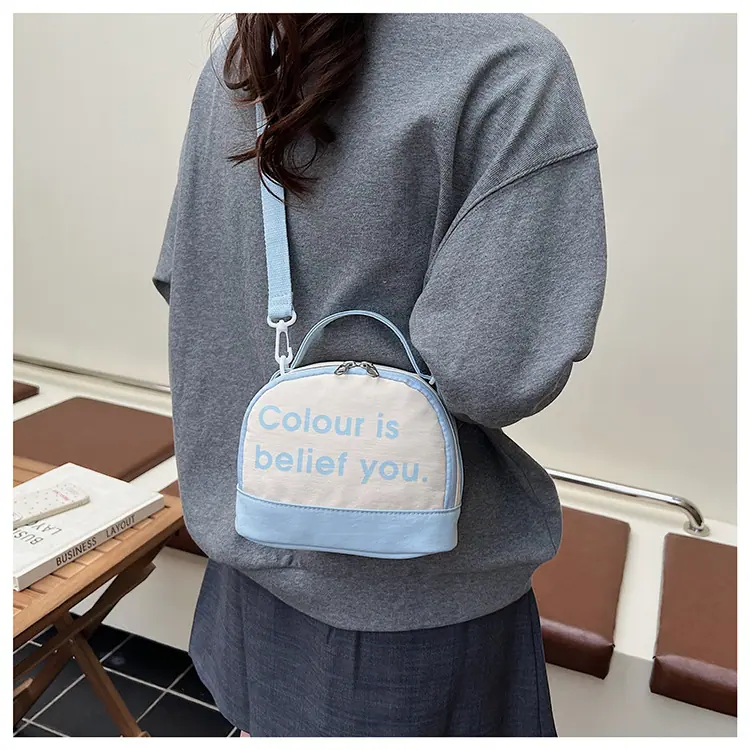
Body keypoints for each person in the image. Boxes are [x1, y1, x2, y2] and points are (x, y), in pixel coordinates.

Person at [153, 12, 606, 738]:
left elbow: (184, 279)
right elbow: (494, 371)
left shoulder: (248, 54)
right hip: (415, 603)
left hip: (248, 545)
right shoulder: (508, 66)